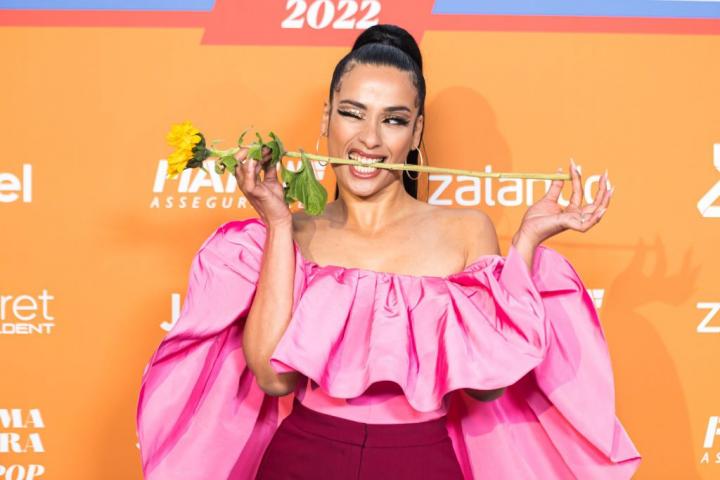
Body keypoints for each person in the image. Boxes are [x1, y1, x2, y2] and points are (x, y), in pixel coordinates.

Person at [136, 24, 641, 479]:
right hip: (304, 458)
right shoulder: (295, 231)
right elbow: (272, 376)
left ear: (416, 132)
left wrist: (525, 243)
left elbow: (485, 388)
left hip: (420, 461)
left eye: (394, 120)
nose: (369, 140)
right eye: (352, 113)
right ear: (327, 118)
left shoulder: (466, 230)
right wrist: (277, 221)